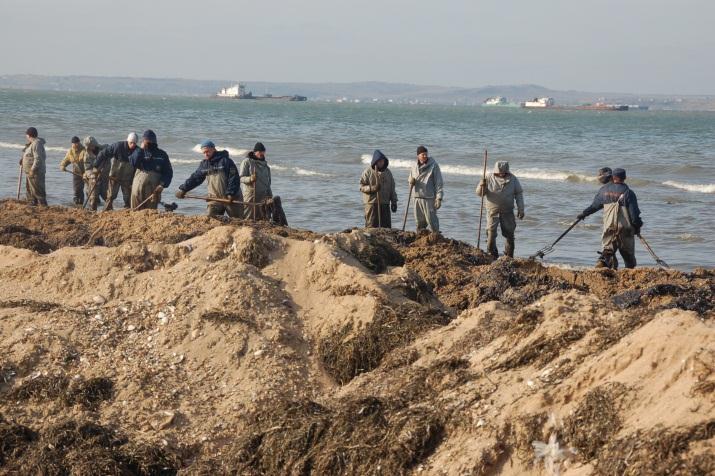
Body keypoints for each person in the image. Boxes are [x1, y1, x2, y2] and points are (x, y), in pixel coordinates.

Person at [577, 168, 643, 269]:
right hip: (624, 229)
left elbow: (594, 206)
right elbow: (634, 215)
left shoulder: (604, 190)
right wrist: (637, 227)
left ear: (613, 177)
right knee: (628, 257)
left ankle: (605, 267)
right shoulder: (629, 193)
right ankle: (629, 274)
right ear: (625, 178)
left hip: (609, 227)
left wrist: (584, 214)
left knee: (607, 252)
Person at [175, 140, 242, 217]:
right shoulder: (205, 165)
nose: (206, 154)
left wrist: (231, 193)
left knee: (238, 220)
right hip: (214, 199)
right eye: (204, 153)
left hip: (232, 197)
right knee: (211, 218)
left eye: (207, 151)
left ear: (213, 149)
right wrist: (183, 189)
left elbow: (234, 178)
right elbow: (195, 178)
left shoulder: (226, 161)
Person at [476, 161, 524, 258]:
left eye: (504, 172)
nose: (501, 174)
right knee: (491, 233)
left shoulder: (513, 179)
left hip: (507, 211)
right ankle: (492, 254)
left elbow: (518, 194)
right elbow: (479, 194)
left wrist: (521, 209)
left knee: (510, 234)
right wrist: (482, 185)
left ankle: (509, 255)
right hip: (492, 211)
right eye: (499, 172)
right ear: (495, 171)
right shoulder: (488, 178)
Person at [129, 130, 173, 210]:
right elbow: (133, 162)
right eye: (146, 141)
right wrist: (141, 149)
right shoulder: (139, 151)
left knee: (150, 211)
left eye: (150, 141)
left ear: (154, 141)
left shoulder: (162, 154)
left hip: (153, 188)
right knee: (135, 210)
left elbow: (168, 173)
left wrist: (162, 184)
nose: (148, 144)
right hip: (138, 186)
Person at [97, 132, 138, 210]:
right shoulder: (118, 146)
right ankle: (107, 209)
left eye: (134, 143)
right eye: (131, 143)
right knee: (111, 195)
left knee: (127, 197)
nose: (133, 145)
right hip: (115, 176)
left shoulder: (137, 151)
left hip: (127, 178)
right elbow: (103, 153)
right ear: (127, 141)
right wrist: (96, 166)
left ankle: (127, 209)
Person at [407, 146, 443, 232]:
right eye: (423, 154)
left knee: (432, 221)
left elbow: (439, 183)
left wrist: (439, 198)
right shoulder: (413, 166)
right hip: (416, 197)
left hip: (429, 197)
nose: (425, 156)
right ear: (418, 156)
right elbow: (410, 180)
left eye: (426, 154)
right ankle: (420, 238)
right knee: (419, 222)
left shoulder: (434, 165)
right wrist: (410, 182)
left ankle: (436, 236)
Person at [360, 149, 397, 228]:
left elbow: (392, 188)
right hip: (372, 204)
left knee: (386, 228)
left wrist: (394, 201)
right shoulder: (368, 172)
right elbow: (361, 187)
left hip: (385, 203)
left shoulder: (388, 172)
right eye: (379, 161)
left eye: (382, 161)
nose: (381, 162)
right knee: (371, 227)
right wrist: (372, 188)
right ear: (375, 161)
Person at [240, 142, 272, 220]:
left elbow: (268, 183)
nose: (261, 153)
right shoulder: (247, 162)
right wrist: (250, 179)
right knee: (248, 217)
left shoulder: (266, 166)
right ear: (255, 152)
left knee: (262, 217)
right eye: (259, 151)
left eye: (263, 151)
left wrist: (270, 194)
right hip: (251, 194)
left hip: (263, 195)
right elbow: (241, 178)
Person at [20, 127, 47, 206]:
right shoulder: (32, 143)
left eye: (26, 135)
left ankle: (43, 205)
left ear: (29, 135)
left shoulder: (36, 143)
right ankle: (33, 203)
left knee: (38, 190)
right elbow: (30, 155)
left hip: (36, 172)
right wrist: (23, 160)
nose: (26, 136)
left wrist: (32, 169)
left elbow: (38, 159)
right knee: (30, 190)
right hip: (30, 172)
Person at [79, 136, 103, 210]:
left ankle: (97, 204)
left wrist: (100, 170)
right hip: (90, 175)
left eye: (91, 146)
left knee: (101, 192)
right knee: (89, 190)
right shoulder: (85, 154)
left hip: (101, 173)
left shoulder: (102, 149)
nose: (90, 148)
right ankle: (92, 207)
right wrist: (91, 173)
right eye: (88, 146)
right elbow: (87, 168)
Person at [60, 136, 85, 205]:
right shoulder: (70, 151)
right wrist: (63, 166)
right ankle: (78, 203)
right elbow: (66, 160)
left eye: (76, 143)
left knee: (86, 189)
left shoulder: (84, 150)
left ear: (79, 143)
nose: (75, 145)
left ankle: (88, 202)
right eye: (73, 143)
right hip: (76, 173)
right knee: (77, 189)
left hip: (85, 173)